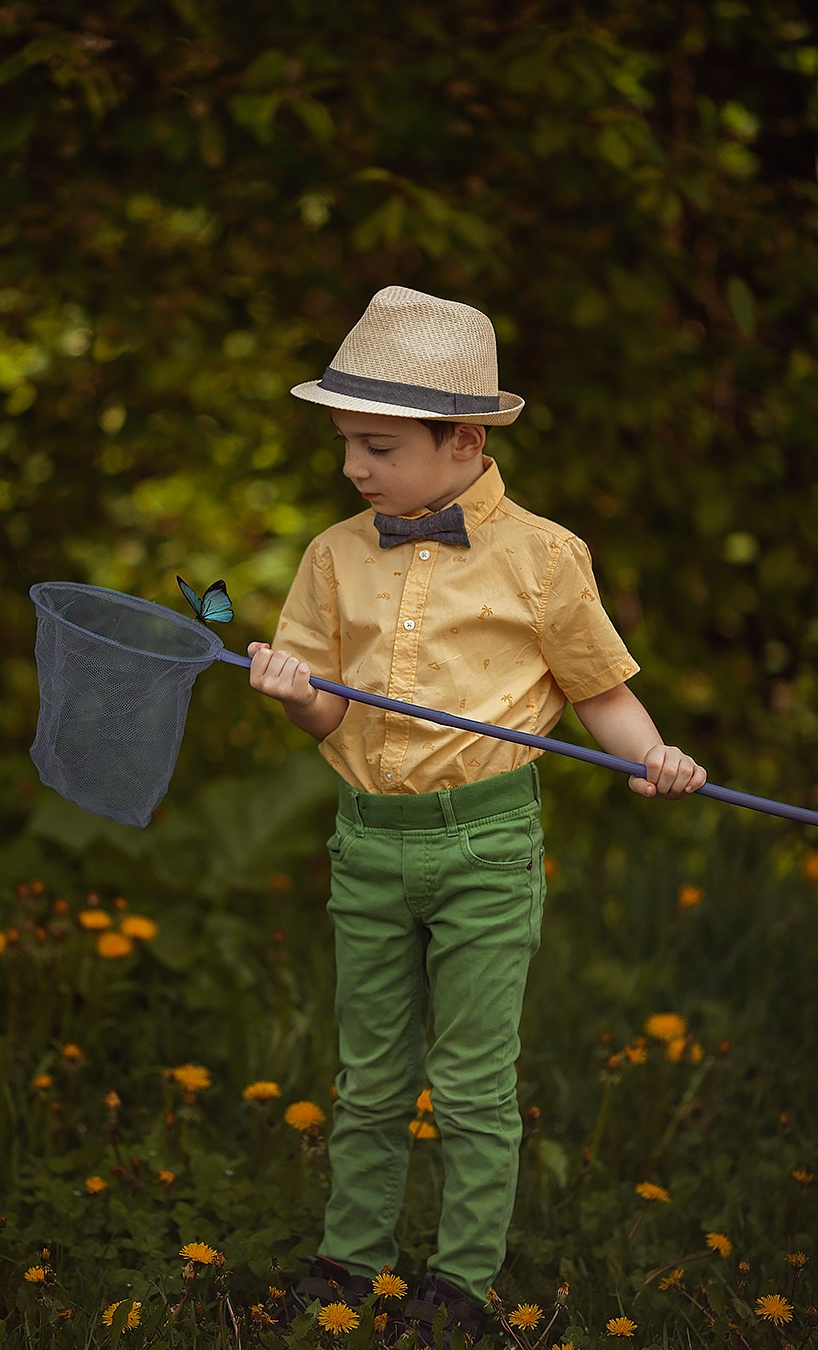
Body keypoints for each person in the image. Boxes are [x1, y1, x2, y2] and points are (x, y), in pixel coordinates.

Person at [248, 286, 706, 1343]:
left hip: (488, 846)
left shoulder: (544, 558)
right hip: (368, 842)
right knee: (366, 1079)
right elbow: (325, 713)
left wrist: (657, 758)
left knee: (470, 1081)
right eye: (345, 446)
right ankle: (349, 1262)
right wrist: (293, 690)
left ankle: (462, 1283)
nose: (353, 468)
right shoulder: (332, 557)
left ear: (463, 442)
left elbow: (600, 694)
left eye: (376, 446)